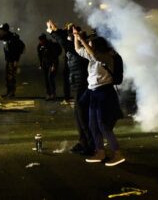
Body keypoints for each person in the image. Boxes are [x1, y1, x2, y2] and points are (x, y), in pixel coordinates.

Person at [73, 26, 125, 166]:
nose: (89, 46)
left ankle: (117, 153)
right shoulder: (93, 56)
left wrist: (83, 39)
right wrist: (76, 37)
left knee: (103, 124)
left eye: (91, 44)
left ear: (98, 46)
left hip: (104, 92)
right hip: (94, 93)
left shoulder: (107, 56)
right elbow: (78, 50)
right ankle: (100, 152)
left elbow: (94, 54)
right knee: (92, 124)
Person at [47, 20, 94, 155]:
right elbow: (64, 38)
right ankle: (83, 142)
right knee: (78, 116)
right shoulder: (74, 44)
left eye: (71, 34)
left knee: (82, 116)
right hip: (77, 83)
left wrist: (53, 31)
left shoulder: (77, 47)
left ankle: (90, 145)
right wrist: (56, 30)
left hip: (81, 83)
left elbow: (64, 42)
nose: (69, 36)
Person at [0, 23, 25, 98]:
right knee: (8, 77)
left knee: (11, 77)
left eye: (1, 30)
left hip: (12, 60)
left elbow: (17, 50)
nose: (0, 31)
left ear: (5, 30)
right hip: (8, 60)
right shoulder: (6, 36)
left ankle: (11, 92)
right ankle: (9, 92)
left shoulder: (12, 38)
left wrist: (16, 61)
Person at [37, 33, 61, 101]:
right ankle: (48, 94)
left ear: (45, 39)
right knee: (46, 79)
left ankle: (53, 93)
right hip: (45, 64)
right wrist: (40, 64)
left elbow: (55, 56)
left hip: (52, 63)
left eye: (42, 40)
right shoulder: (40, 46)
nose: (40, 42)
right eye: (40, 40)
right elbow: (40, 56)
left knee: (50, 77)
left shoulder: (51, 45)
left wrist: (53, 65)